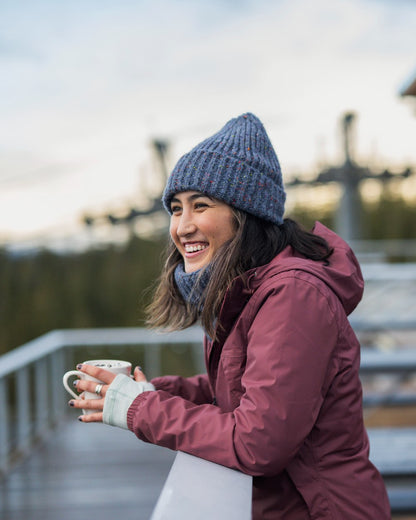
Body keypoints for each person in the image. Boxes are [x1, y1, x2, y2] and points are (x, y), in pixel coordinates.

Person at [69, 113, 391, 519]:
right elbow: (243, 391)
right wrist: (153, 390)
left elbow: (258, 444)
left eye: (200, 206)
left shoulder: (293, 296)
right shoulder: (247, 290)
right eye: (175, 208)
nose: (182, 226)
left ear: (246, 213)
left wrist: (140, 409)